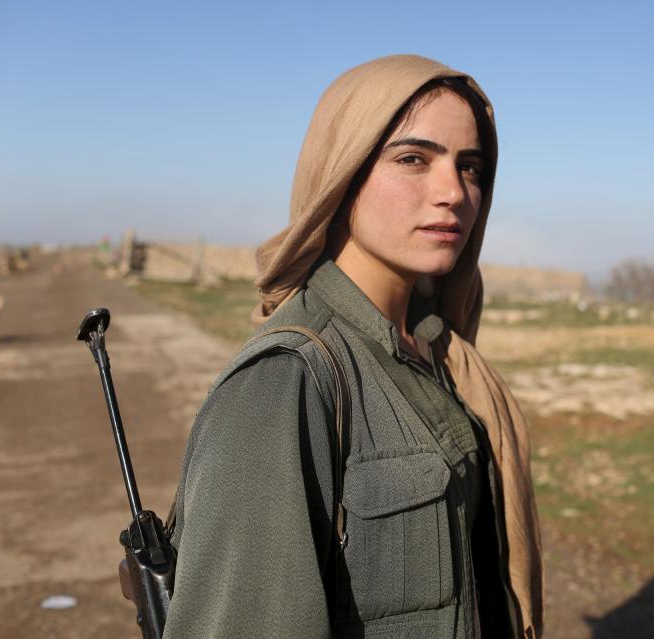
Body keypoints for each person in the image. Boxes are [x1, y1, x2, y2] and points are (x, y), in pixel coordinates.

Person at [162, 55, 542, 639]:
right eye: (414, 159)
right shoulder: (285, 382)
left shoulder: (440, 350)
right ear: (341, 175)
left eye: (470, 167)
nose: (454, 192)